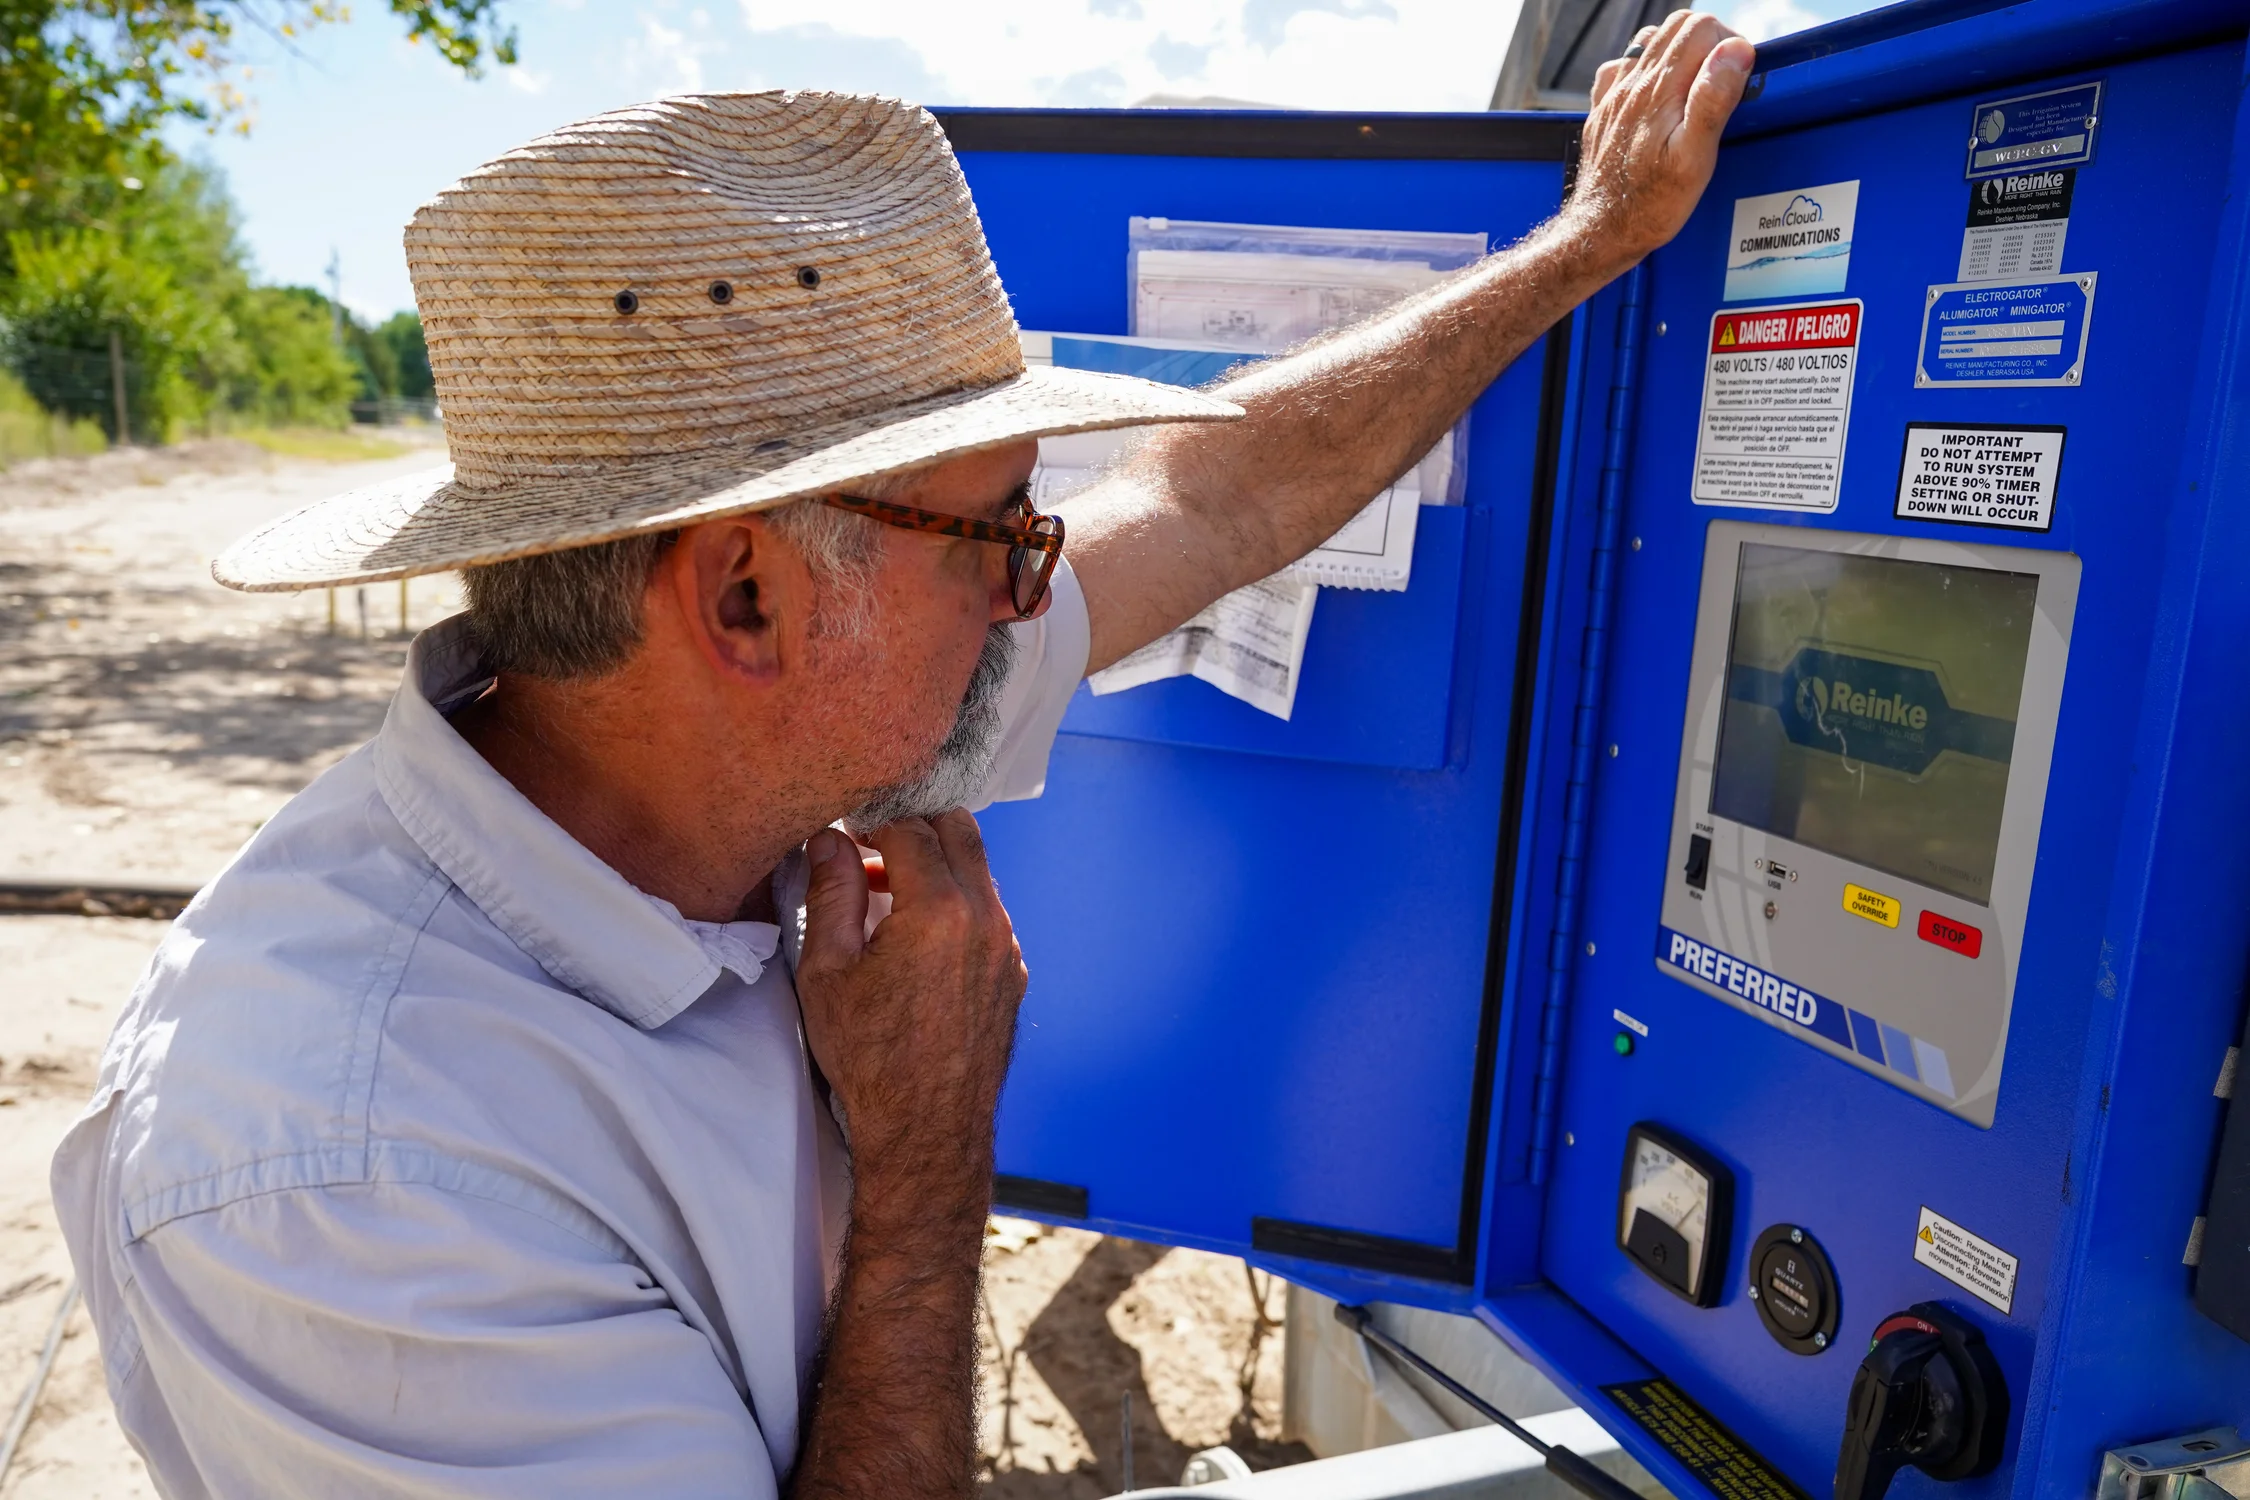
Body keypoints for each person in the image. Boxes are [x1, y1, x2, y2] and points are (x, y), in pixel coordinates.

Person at [52, 15, 1752, 1498]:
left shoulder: (756, 732)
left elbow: (1211, 494)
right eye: (999, 537)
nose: (1038, 582)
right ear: (741, 596)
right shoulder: (348, 1180)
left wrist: (1588, 241)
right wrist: (929, 1160)